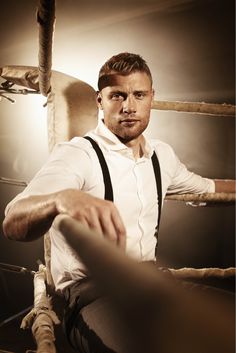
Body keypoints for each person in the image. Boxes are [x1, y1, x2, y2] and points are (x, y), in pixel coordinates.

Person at [2, 52, 235, 352]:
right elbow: (13, 222)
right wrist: (62, 198)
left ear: (152, 97)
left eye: (138, 95)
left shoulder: (161, 155)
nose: (128, 106)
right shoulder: (78, 154)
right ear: (100, 101)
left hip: (153, 283)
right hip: (91, 295)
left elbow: (208, 188)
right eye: (117, 96)